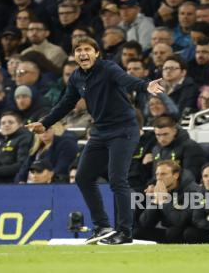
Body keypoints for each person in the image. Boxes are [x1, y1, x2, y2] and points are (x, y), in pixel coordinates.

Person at [26, 36, 164, 245]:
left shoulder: (108, 68)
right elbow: (65, 104)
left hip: (124, 129)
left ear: (97, 53)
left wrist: (145, 86)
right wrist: (45, 124)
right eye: (78, 50)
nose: (82, 53)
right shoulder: (76, 77)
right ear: (75, 56)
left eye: (87, 49)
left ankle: (125, 232)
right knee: (83, 177)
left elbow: (127, 81)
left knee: (117, 179)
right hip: (100, 131)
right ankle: (102, 226)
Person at [134, 160, 201, 243]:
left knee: (174, 232)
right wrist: (155, 200)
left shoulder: (193, 191)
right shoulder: (161, 189)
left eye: (163, 174)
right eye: (157, 174)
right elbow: (145, 223)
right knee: (137, 233)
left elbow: (180, 221)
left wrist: (163, 201)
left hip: (189, 230)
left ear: (176, 175)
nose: (158, 178)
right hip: (170, 230)